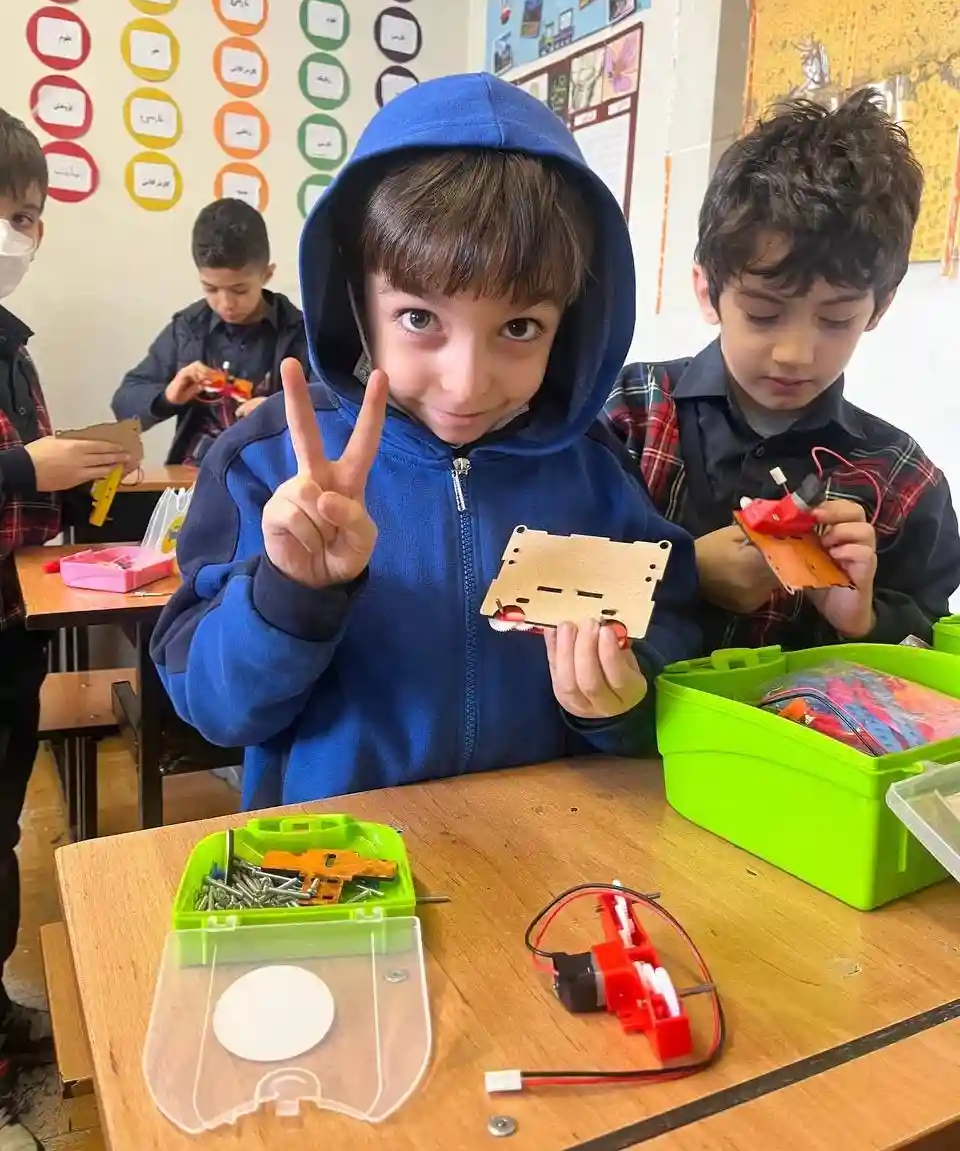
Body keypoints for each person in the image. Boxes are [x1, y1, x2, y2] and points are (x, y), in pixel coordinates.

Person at [151, 73, 701, 810]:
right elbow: (213, 708)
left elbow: (674, 635)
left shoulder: (595, 473)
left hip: (545, 852)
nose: (466, 385)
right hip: (340, 863)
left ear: (569, 324)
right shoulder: (267, 461)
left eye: (519, 327)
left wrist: (625, 700)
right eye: (419, 319)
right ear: (358, 301)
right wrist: (290, 593)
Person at [606, 90, 960, 652]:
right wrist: (681, 570)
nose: (795, 353)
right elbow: (524, 577)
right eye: (763, 313)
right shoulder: (627, 414)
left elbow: (932, 652)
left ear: (879, 309)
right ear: (708, 290)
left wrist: (865, 621)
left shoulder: (904, 483)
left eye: (836, 320)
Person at [0, 110, 136, 1151]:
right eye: (8, 213)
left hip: (14, 625)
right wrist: (24, 468)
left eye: (32, 217)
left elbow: (37, 485)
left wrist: (77, 474)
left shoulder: (14, 350)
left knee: (2, 828)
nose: (22, 236)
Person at [111, 198, 310, 466]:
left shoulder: (300, 333)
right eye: (211, 289)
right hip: (195, 473)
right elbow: (124, 402)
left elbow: (335, 405)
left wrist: (282, 410)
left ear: (267, 274)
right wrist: (167, 397)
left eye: (240, 290)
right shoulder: (188, 329)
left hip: (274, 476)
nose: (226, 304)